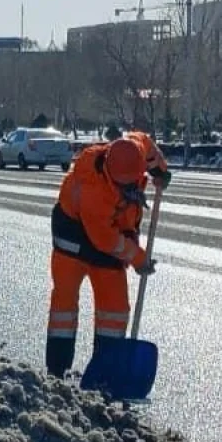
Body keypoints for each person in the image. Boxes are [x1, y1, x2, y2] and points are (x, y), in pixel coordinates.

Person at [45, 134, 172, 377]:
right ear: (111, 175)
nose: (132, 189)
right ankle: (57, 368)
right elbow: (106, 240)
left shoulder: (134, 148)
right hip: (74, 238)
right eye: (125, 186)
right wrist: (139, 259)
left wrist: (160, 172)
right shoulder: (93, 189)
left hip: (110, 232)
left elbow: (151, 150)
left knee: (114, 309)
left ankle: (105, 368)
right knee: (64, 304)